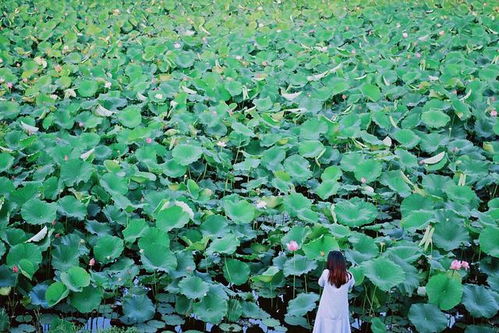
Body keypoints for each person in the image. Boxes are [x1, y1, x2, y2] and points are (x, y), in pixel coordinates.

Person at [312, 250, 355, 333]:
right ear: (342, 262)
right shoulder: (349, 276)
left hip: (326, 309)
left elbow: (320, 283)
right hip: (341, 310)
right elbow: (351, 285)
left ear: (330, 262)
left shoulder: (326, 273)